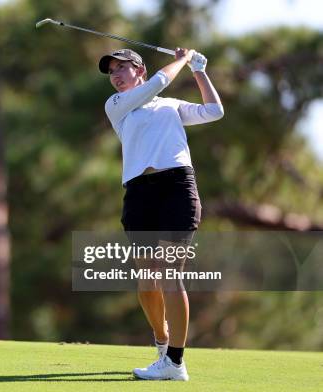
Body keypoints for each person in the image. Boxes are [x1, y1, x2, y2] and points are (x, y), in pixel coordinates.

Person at [98, 47, 224, 381]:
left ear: (139, 68)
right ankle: (162, 341)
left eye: (122, 67)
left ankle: (175, 362)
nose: (116, 76)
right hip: (139, 193)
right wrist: (183, 59)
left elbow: (214, 111)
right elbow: (157, 83)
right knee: (147, 280)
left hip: (177, 189)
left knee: (171, 274)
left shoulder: (170, 106)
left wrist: (199, 70)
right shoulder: (116, 106)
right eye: (112, 72)